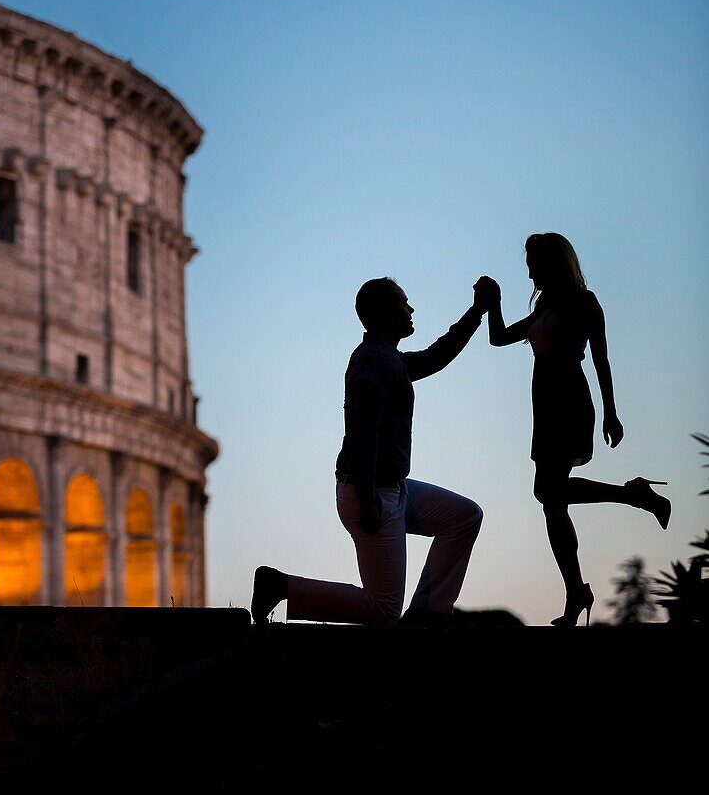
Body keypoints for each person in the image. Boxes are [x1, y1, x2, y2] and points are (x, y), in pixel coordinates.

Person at [251, 277, 488, 627]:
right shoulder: (375, 362)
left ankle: (428, 614)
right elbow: (364, 431)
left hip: (392, 488)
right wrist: (366, 497)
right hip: (369, 492)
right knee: (384, 610)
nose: (411, 310)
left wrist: (476, 313)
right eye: (404, 304)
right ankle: (281, 585)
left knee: (464, 517)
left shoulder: (388, 359)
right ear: (387, 313)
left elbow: (434, 357)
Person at [475, 232, 670, 627]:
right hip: (545, 406)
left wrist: (612, 412)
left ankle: (631, 499)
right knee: (551, 500)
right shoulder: (545, 304)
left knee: (548, 492)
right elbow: (499, 338)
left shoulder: (584, 302)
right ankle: (576, 589)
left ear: (551, 263)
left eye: (533, 261)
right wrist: (491, 304)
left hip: (569, 401)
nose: (528, 269)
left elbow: (601, 358)